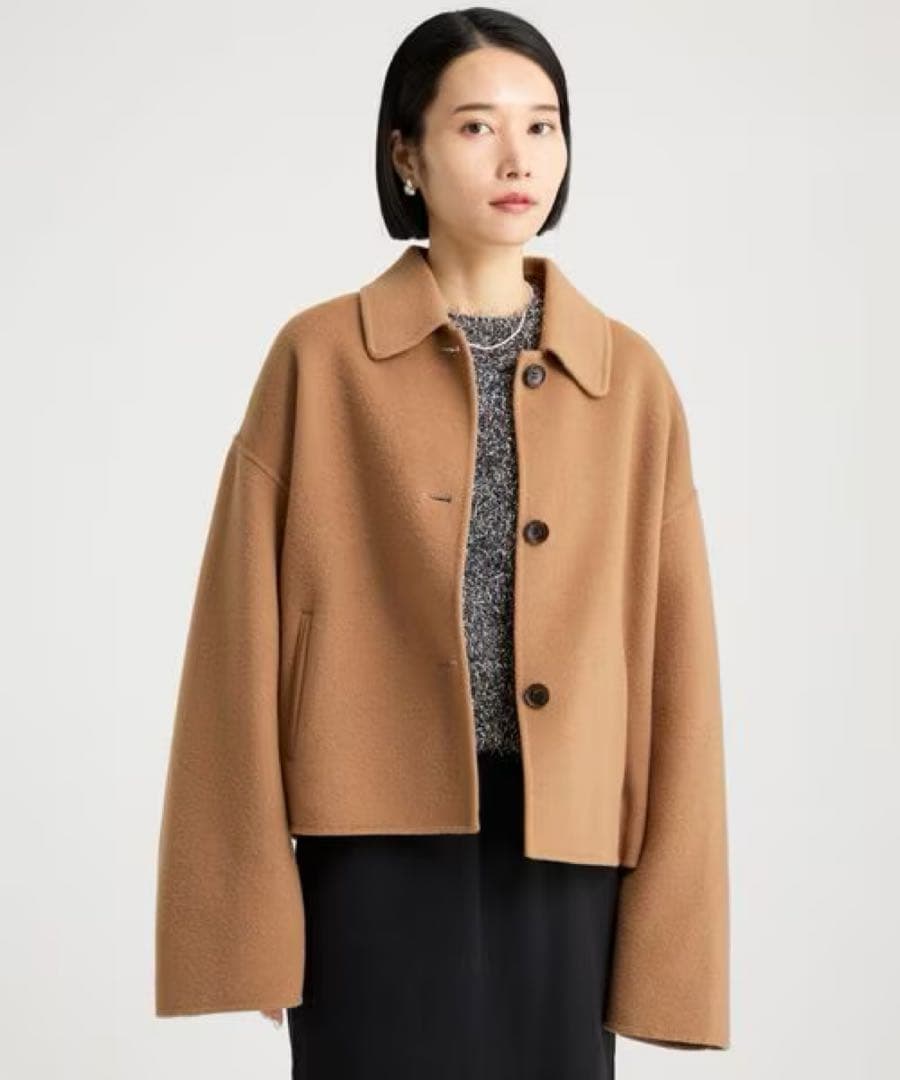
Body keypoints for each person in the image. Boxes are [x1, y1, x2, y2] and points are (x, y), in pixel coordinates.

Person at [155, 9, 730, 1078]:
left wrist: (671, 939)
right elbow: (235, 647)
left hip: (568, 851)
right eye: (476, 126)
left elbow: (679, 674)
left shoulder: (631, 382)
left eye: (543, 125)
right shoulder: (321, 360)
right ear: (406, 155)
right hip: (367, 852)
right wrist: (248, 914)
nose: (519, 159)